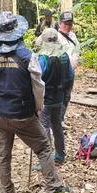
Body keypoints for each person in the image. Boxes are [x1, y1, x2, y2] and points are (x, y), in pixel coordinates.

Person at [0, 11, 71, 193]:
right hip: (22, 114)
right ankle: (54, 190)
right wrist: (37, 109)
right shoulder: (26, 56)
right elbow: (39, 87)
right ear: (17, 33)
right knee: (44, 148)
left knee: (3, 155)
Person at [36, 28, 74, 164]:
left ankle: (46, 160)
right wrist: (65, 96)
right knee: (57, 125)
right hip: (59, 97)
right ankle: (60, 154)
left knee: (44, 126)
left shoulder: (43, 58)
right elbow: (70, 76)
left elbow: (37, 78)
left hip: (46, 99)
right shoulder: (64, 56)